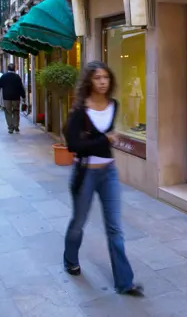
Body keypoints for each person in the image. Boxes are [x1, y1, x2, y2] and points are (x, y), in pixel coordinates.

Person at [63, 60, 143, 296]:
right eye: (97, 78)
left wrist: (104, 142)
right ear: (89, 80)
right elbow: (74, 145)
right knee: (78, 222)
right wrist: (105, 141)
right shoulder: (80, 110)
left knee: (115, 228)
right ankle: (70, 258)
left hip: (108, 172)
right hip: (85, 172)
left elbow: (99, 141)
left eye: (106, 77)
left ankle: (124, 282)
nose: (102, 82)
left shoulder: (114, 105)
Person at [0, 63, 25, 134]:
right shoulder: (17, 77)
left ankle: (10, 128)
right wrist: (23, 96)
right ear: (14, 69)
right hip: (16, 97)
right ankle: (16, 126)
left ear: (7, 69)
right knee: (16, 111)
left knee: (8, 112)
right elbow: (21, 87)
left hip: (6, 97)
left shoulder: (3, 76)